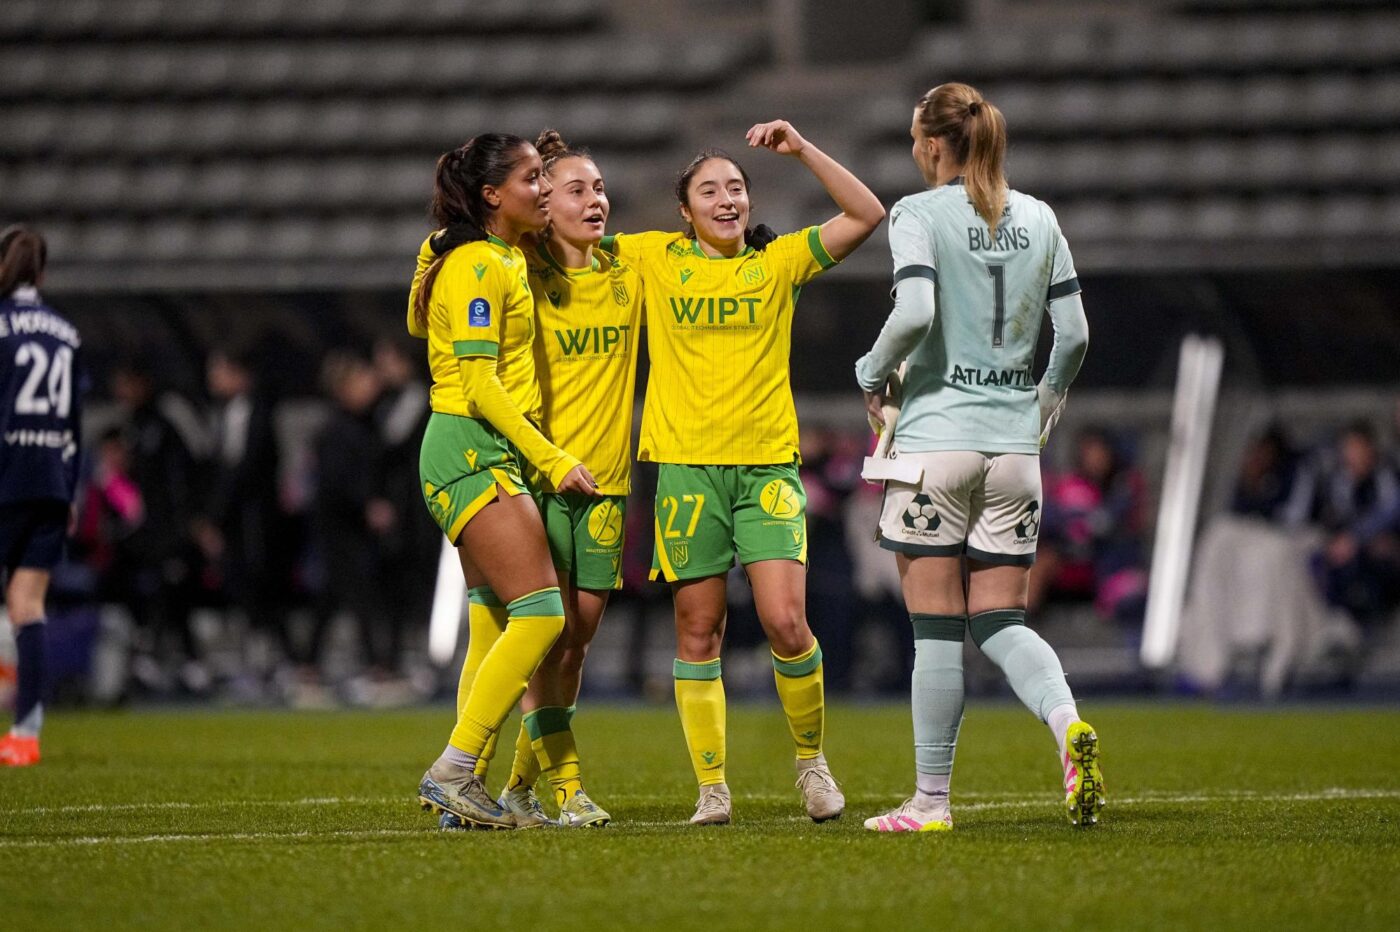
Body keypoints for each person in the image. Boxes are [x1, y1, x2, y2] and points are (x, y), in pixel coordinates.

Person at [601, 120, 884, 824]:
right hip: (686, 472)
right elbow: (571, 239)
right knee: (699, 631)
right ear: (685, 209)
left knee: (786, 621)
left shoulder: (779, 262)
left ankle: (812, 765)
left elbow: (867, 213)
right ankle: (712, 787)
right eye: (709, 190)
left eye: (735, 188)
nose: (725, 199)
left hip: (766, 470)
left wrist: (804, 148)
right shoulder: (654, 257)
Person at [853, 82, 1101, 831]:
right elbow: (1075, 334)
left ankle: (931, 801)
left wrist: (870, 372)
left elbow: (916, 311)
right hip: (1015, 451)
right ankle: (1067, 723)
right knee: (1000, 621)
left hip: (936, 444)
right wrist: (1045, 400)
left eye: (914, 138)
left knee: (936, 630)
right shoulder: (1040, 217)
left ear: (933, 144)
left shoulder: (918, 214)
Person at [407, 133, 598, 830]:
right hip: (470, 447)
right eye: (532, 178)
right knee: (543, 614)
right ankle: (453, 770)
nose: (545, 189)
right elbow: (481, 385)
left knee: (491, 624)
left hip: (474, 450)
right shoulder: (479, 263)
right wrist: (552, 459)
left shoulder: (490, 255)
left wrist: (432, 251)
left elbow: (416, 320)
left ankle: (465, 793)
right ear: (493, 195)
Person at [458, 129, 643, 830]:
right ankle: (553, 785)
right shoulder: (514, 267)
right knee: (534, 635)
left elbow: (698, 259)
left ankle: (515, 787)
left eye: (600, 188)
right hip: (534, 478)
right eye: (575, 189)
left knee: (575, 643)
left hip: (605, 484)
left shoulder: (631, 268)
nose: (595, 200)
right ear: (542, 203)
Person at [0, 226, 82, 767]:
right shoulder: (66, 334)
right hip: (51, 482)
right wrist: (69, 492)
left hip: (6, 475)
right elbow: (73, 423)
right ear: (43, 274)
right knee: (28, 607)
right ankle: (25, 736)